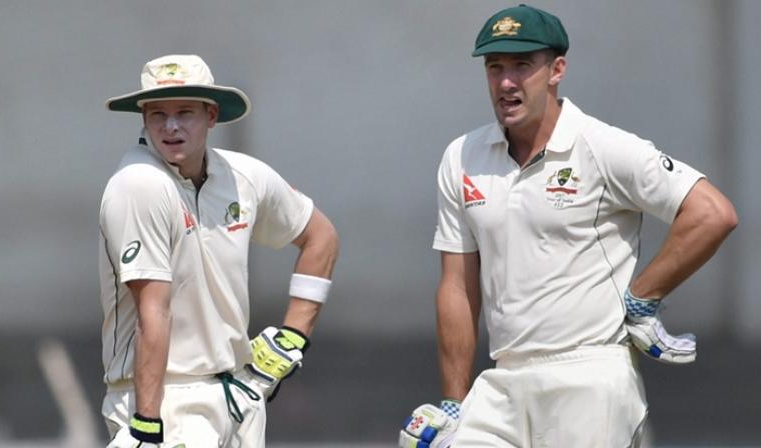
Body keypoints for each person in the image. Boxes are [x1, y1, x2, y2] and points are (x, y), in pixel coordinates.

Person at [400, 4, 737, 447]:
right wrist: (453, 404)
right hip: (501, 385)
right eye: (495, 67)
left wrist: (642, 297)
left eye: (522, 66)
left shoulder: (601, 146)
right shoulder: (462, 157)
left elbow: (712, 214)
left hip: (590, 379)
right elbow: (457, 288)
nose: (506, 82)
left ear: (557, 69)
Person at [99, 54, 338, 447]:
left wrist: (293, 335)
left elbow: (321, 237)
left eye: (185, 112)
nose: (170, 126)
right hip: (165, 403)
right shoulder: (139, 184)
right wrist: (145, 424)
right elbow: (152, 310)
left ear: (212, 116)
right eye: (157, 113)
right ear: (143, 119)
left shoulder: (245, 176)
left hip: (238, 394)